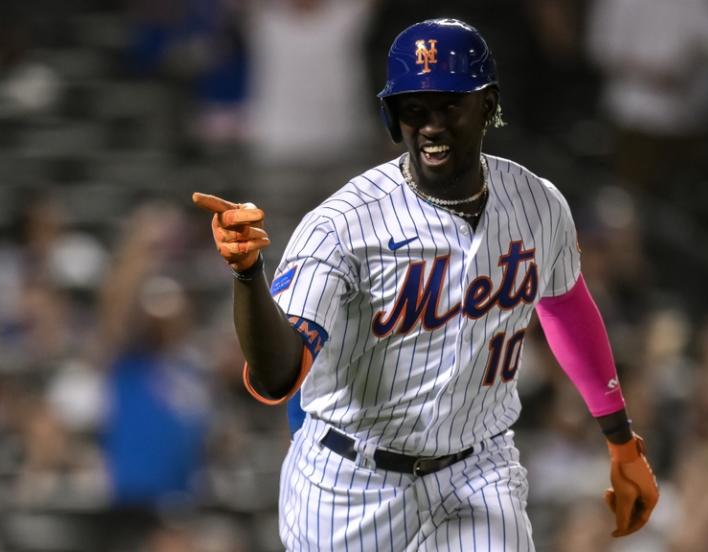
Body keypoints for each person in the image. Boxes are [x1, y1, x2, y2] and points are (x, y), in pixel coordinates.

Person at [193, 18, 658, 549]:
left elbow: (565, 306)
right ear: (395, 117)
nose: (431, 125)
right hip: (352, 482)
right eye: (414, 108)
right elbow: (278, 377)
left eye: (448, 104)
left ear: (487, 105)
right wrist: (249, 275)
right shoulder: (343, 224)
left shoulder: (537, 203)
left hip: (478, 470)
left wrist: (621, 440)